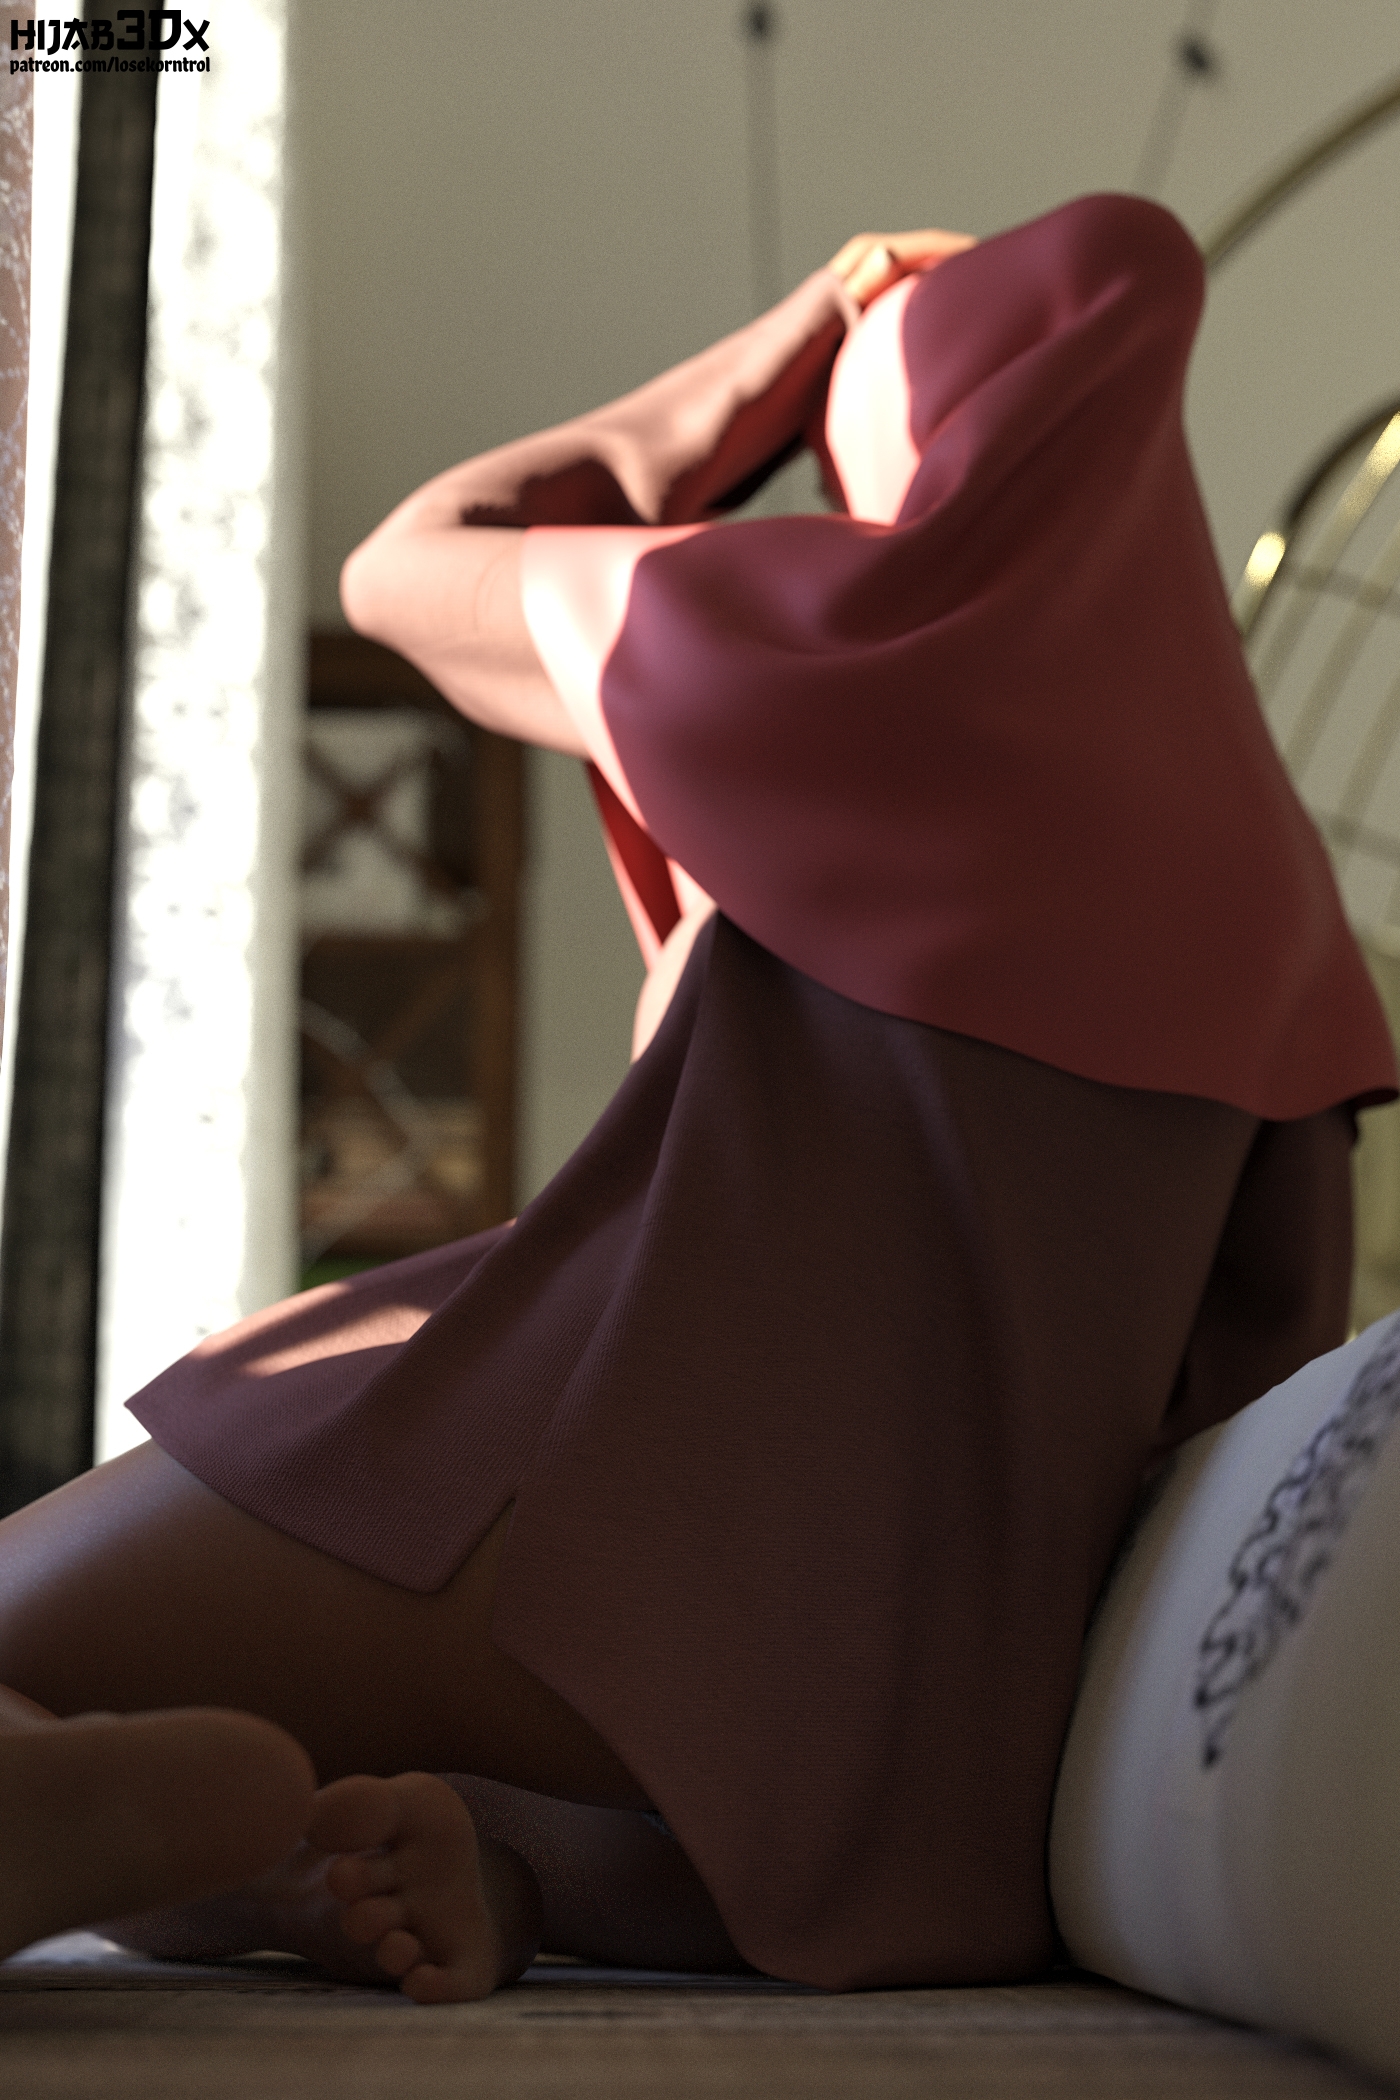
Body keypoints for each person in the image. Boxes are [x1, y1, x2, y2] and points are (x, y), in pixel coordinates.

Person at [0, 193, 1391, 2000]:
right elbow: (1244, 1401)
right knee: (185, 1779)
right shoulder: (1292, 923)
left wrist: (784, 353)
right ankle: (338, 1871)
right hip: (874, 1759)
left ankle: (148, 1823)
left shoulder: (833, 647)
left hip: (562, 1522)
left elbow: (404, 568)